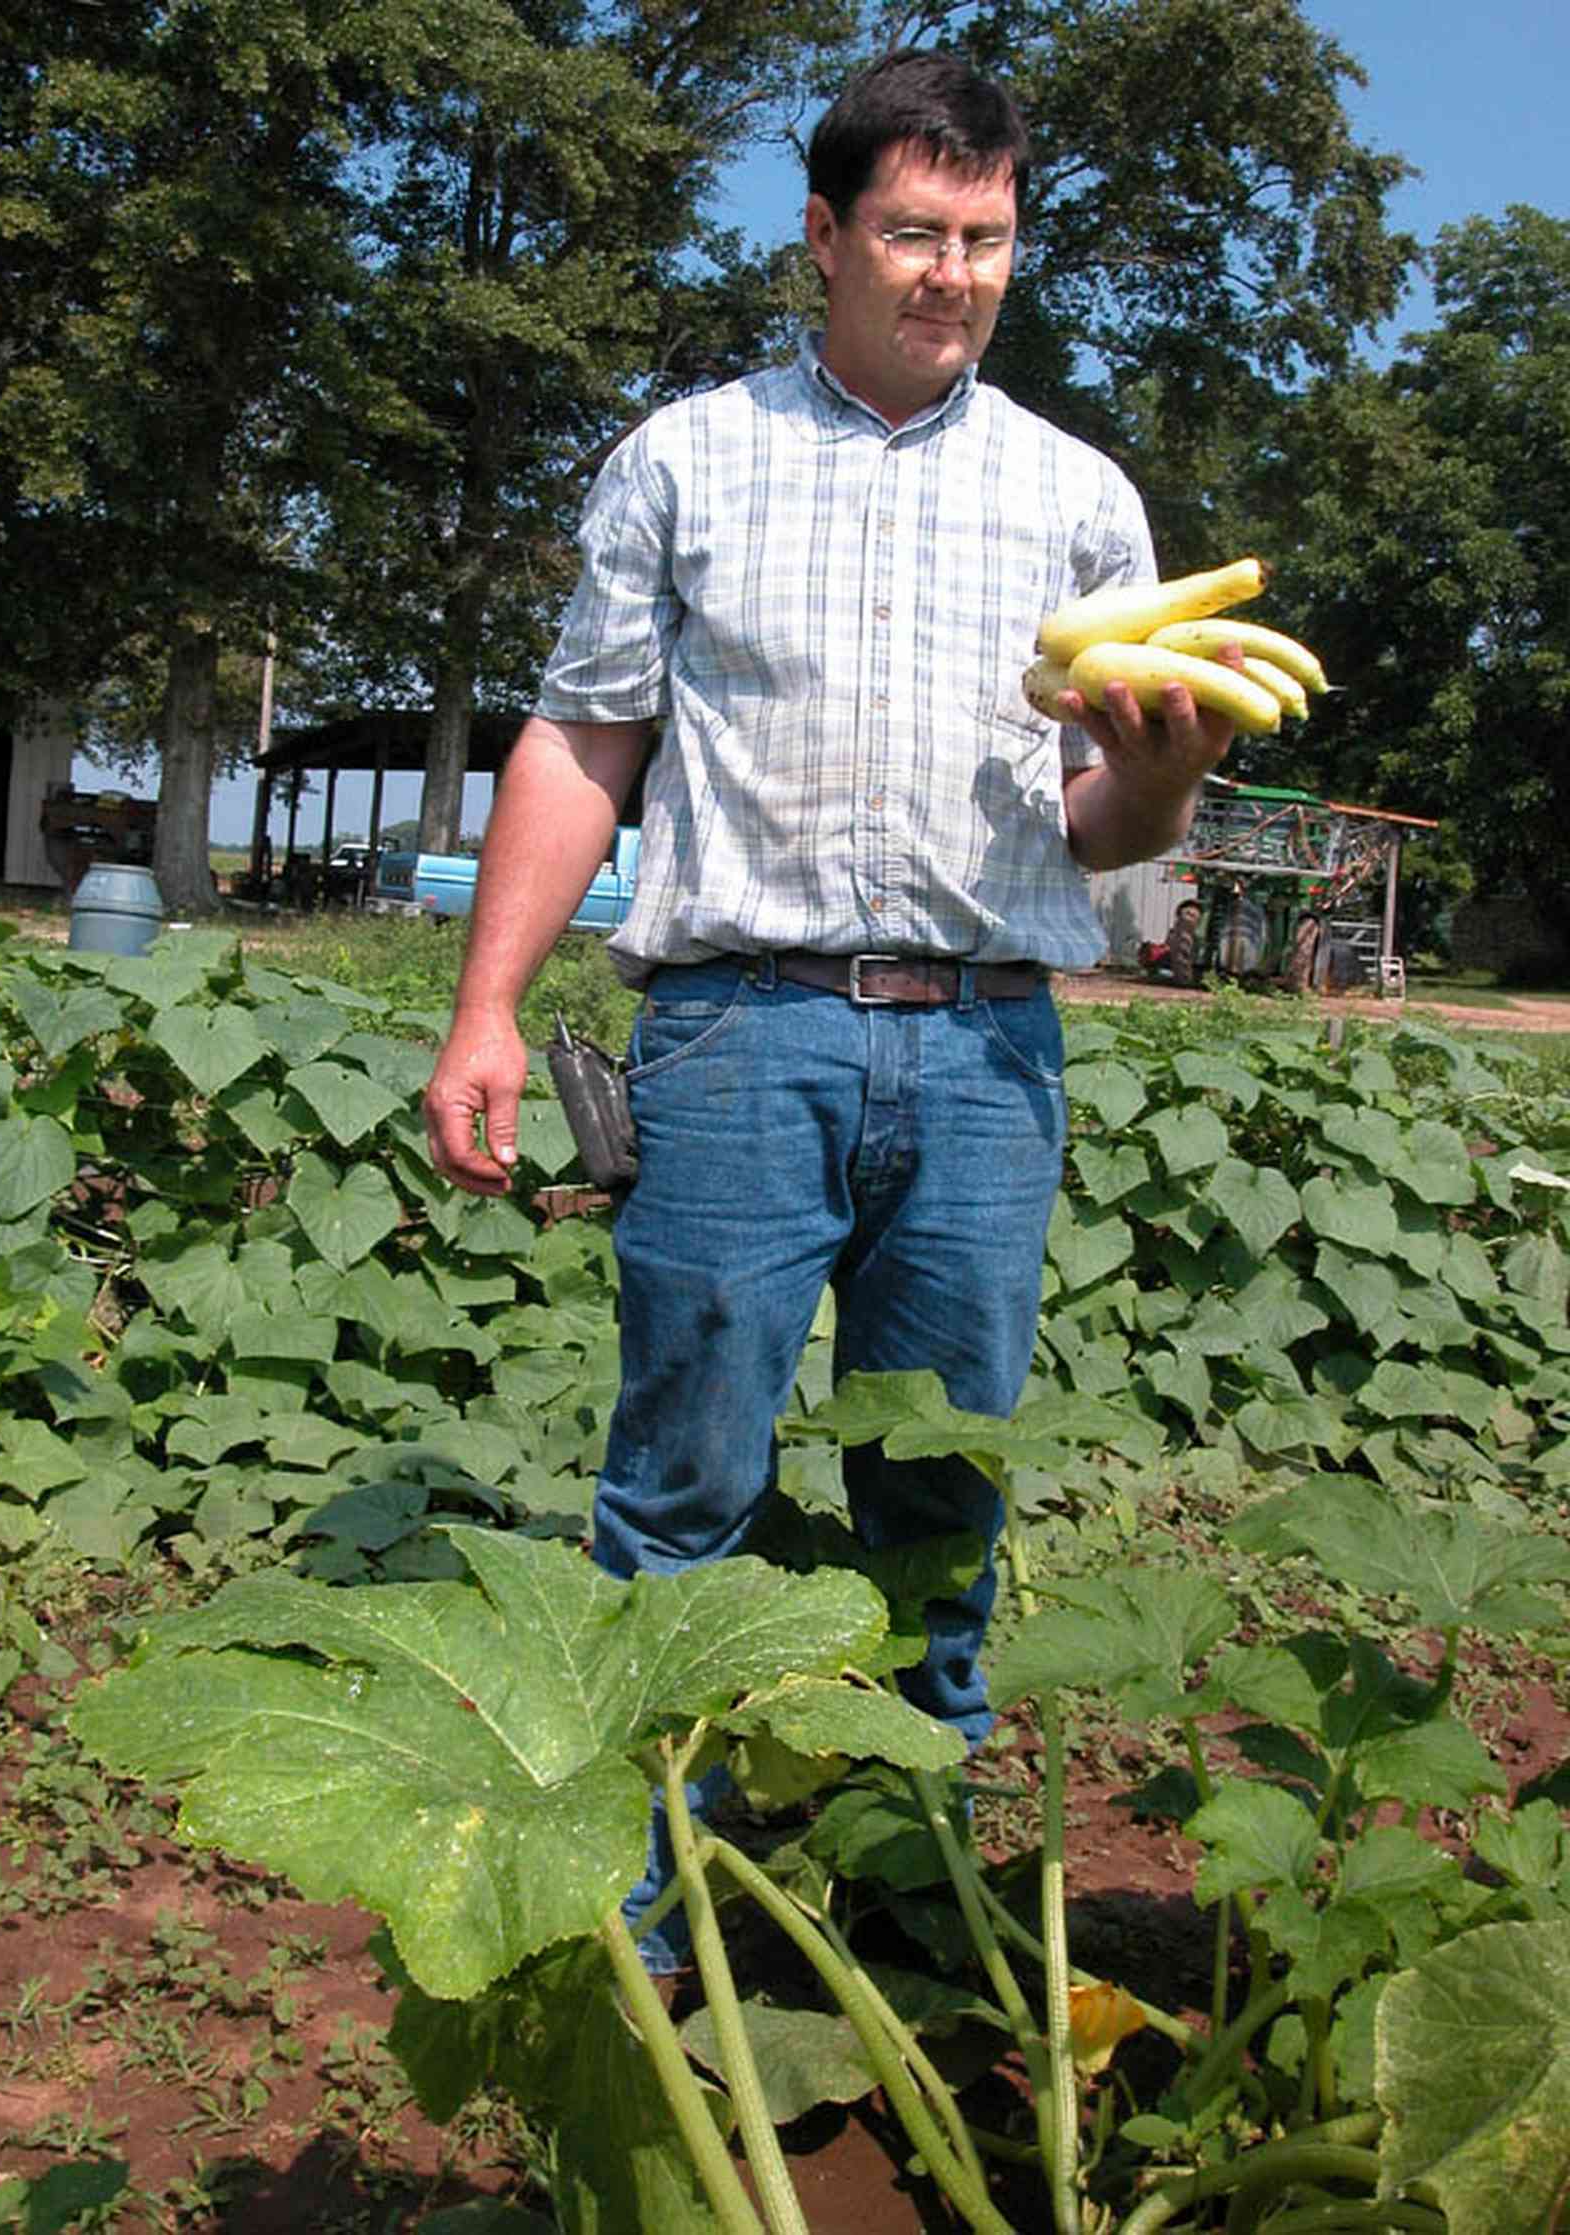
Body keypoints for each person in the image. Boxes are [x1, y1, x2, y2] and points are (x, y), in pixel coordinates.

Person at [424, 48, 1236, 1968]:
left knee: (940, 1489)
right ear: (823, 233)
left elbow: (1107, 824)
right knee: (682, 1480)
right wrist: (485, 1010)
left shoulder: (1080, 500)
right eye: (911, 233)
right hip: (735, 1033)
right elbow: (584, 737)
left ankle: (910, 1899)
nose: (950, 274)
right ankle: (645, 1920)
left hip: (981, 1050)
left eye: (988, 239)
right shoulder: (687, 459)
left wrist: (1173, 775)